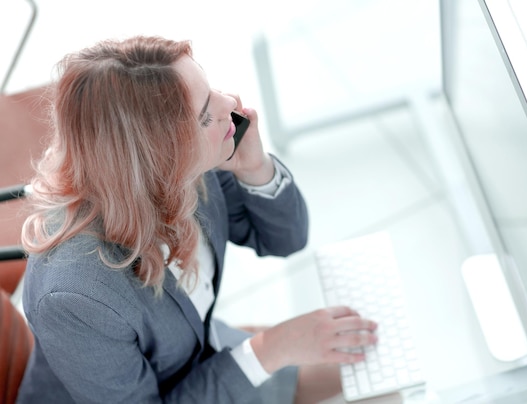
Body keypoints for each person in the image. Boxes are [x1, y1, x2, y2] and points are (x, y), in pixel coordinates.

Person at [16, 35, 378, 404]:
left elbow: (284, 239)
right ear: (161, 157)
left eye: (212, 89)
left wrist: (254, 167)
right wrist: (270, 351)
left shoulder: (190, 167)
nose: (232, 104)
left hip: (198, 356)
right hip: (170, 389)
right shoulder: (74, 294)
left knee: (378, 370)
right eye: (206, 114)